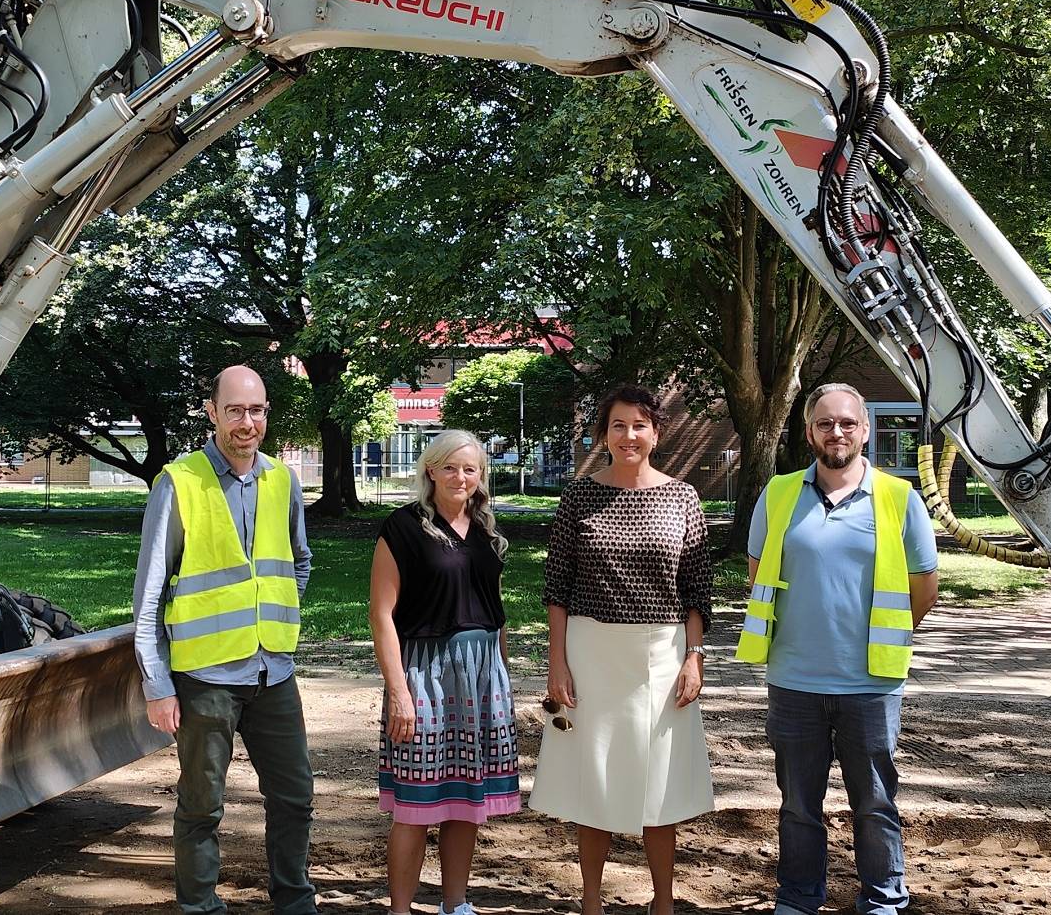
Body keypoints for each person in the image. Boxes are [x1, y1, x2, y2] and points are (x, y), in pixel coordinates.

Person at [737, 383, 940, 915]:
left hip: (870, 684)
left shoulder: (900, 498)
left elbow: (924, 588)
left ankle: (883, 899)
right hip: (794, 681)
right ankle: (798, 898)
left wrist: (884, 637)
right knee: (798, 806)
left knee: (875, 804)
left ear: (865, 430)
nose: (837, 432)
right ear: (809, 433)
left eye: (848, 422)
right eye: (825, 423)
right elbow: (758, 575)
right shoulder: (778, 493)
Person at [132, 365, 317, 915]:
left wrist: (273, 617)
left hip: (272, 671)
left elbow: (299, 561)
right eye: (234, 410)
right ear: (212, 412)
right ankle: (200, 907)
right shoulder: (179, 482)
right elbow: (149, 593)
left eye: (256, 411)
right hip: (205, 679)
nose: (246, 422)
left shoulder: (282, 480)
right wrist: (157, 684)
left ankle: (295, 904)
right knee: (201, 806)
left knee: (295, 797)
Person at [531, 385, 715, 915]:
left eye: (639, 425)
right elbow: (557, 586)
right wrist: (557, 661)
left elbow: (697, 589)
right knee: (595, 782)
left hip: (662, 654)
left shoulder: (683, 497)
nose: (628, 435)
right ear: (604, 434)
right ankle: (591, 900)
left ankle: (663, 902)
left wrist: (693, 657)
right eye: (618, 425)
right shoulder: (578, 497)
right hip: (591, 653)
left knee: (661, 784)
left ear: (656, 433)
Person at [370, 429, 520, 915]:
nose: (460, 477)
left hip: (482, 674)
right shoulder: (402, 527)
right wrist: (399, 691)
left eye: (470, 469)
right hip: (425, 673)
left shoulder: (487, 531)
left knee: (465, 800)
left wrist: (502, 679)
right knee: (415, 805)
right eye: (450, 467)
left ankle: (456, 904)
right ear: (430, 470)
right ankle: (400, 910)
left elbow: (495, 610)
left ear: (481, 476)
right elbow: (381, 615)